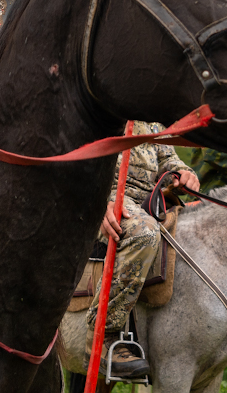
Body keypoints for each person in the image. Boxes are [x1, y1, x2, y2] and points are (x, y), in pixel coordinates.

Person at [85, 122, 200, 379]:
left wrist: (183, 172)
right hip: (109, 196)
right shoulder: (103, 107)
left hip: (150, 199)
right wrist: (97, 202)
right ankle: (103, 334)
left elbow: (168, 159)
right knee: (145, 232)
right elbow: (78, 163)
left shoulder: (152, 121)